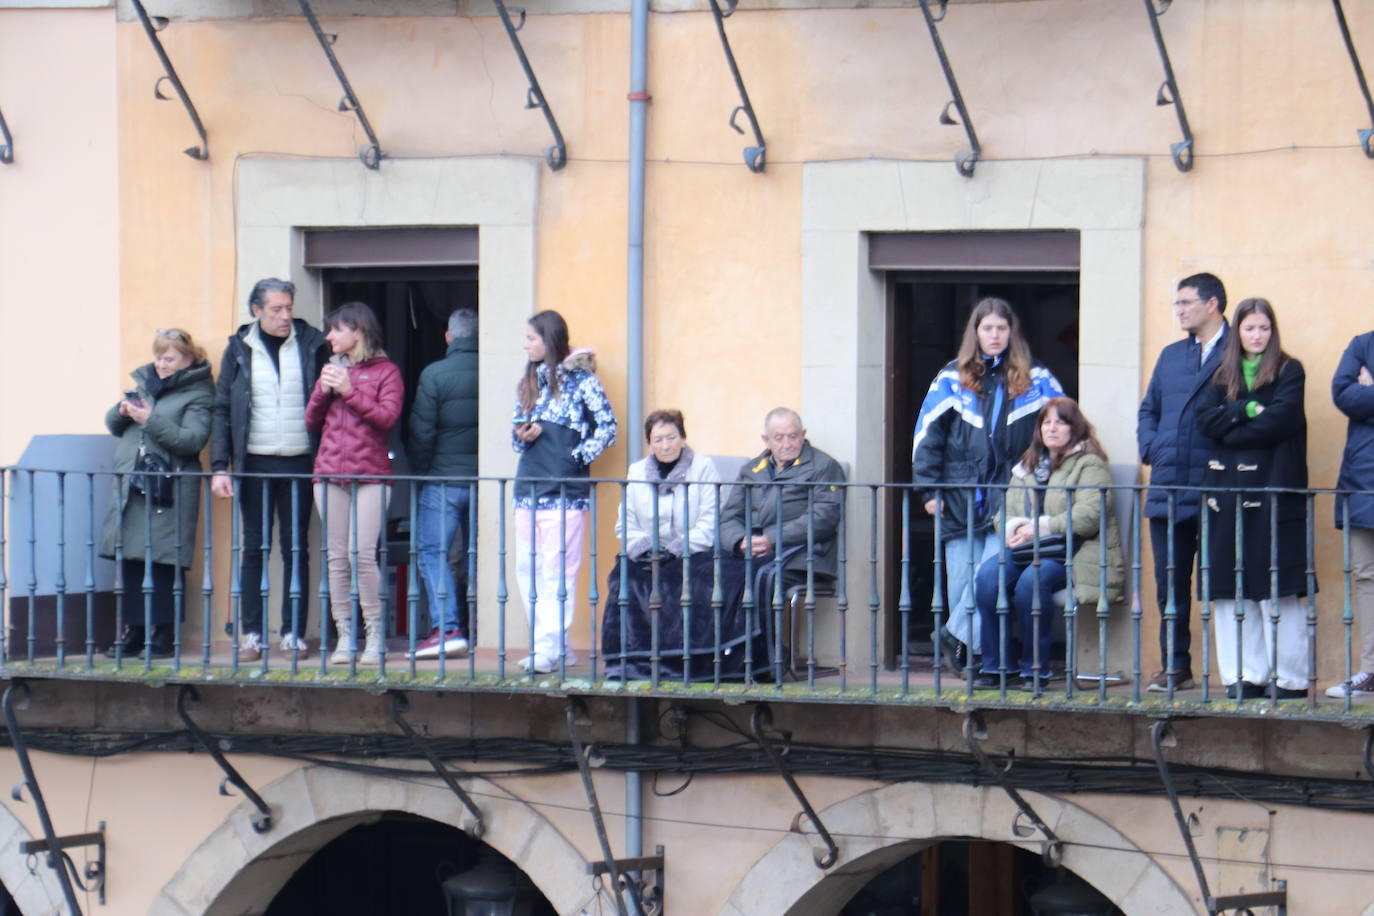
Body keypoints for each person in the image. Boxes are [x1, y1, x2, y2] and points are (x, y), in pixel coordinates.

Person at [912, 297, 1064, 675]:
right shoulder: (951, 377)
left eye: (1001, 328)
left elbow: (1060, 429)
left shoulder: (1037, 378)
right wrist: (929, 490)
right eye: (987, 328)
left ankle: (952, 635)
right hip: (959, 496)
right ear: (975, 333)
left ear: (1011, 332)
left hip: (1011, 498)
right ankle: (972, 658)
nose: (994, 335)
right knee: (962, 580)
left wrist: (1044, 486)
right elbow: (926, 437)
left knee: (991, 579)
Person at [1196, 298, 1312, 700]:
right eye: (1249, 328)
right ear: (1238, 332)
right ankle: (1244, 676)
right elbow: (1204, 421)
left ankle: (1290, 678)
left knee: (1276, 586)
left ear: (1272, 331)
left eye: (1263, 328)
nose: (1257, 335)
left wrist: (1231, 426)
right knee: (1231, 589)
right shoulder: (1219, 374)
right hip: (1226, 494)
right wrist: (1245, 409)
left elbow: (1281, 420)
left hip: (1274, 489)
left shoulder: (1289, 370)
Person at [210, 278, 330, 661]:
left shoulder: (313, 344)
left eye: (288, 307)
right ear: (256, 311)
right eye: (276, 309)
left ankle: (293, 634)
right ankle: (251, 635)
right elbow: (222, 409)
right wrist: (219, 466)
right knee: (254, 549)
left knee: (297, 549)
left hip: (300, 461)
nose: (284, 316)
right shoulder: (238, 349)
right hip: (255, 463)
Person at [971, 398, 1124, 690]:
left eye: (1060, 422)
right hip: (1026, 548)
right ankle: (997, 666)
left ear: (1074, 427)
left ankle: (1035, 669)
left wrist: (1037, 528)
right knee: (988, 578)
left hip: (1072, 552)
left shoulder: (1089, 465)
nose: (1051, 428)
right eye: (1046, 422)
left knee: (1031, 582)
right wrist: (1016, 529)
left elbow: (1088, 516)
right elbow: (1005, 512)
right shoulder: (1027, 466)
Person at [1137, 272, 1229, 692]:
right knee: (1169, 582)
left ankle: (1238, 671)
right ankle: (1176, 667)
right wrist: (1152, 448)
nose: (1178, 311)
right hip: (1170, 483)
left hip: (1217, 485)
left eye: (1185, 303)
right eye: (1176, 304)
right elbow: (1148, 410)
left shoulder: (1239, 351)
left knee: (1228, 580)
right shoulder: (1172, 355)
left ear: (1212, 305)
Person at [511, 310, 618, 674]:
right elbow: (516, 437)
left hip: (566, 491)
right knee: (528, 568)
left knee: (558, 571)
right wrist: (522, 436)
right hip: (527, 487)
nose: (525, 345)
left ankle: (546, 648)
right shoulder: (528, 382)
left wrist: (574, 457)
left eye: (531, 338)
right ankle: (556, 645)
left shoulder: (582, 380)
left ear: (549, 340)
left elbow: (607, 427)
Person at [101, 329, 215, 658]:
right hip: (135, 484)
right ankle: (134, 633)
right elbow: (113, 424)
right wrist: (121, 411)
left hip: (170, 487)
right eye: (159, 357)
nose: (161, 364)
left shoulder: (199, 394)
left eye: (169, 359)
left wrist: (150, 420)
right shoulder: (145, 384)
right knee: (134, 560)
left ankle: (164, 636)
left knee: (165, 561)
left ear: (188, 361)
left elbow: (191, 440)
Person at [602, 410, 741, 680]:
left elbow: (710, 521)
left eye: (671, 437)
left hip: (693, 551)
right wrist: (643, 547)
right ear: (649, 444)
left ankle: (684, 665)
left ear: (683, 438)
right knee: (623, 580)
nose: (665, 445)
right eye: (658, 439)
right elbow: (625, 523)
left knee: (686, 583)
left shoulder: (702, 468)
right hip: (646, 553)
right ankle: (631, 663)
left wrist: (678, 548)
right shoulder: (637, 471)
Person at [306, 302, 404, 667]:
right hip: (329, 473)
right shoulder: (331, 370)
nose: (329, 336)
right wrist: (323, 389)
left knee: (362, 554)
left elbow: (387, 417)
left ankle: (375, 635)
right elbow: (311, 421)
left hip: (371, 474)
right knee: (336, 558)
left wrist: (349, 390)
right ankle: (345, 637)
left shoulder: (387, 372)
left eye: (336, 329)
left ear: (357, 332)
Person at [718, 408, 846, 670]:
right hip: (754, 552)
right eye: (779, 438)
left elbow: (823, 517)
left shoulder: (824, 467)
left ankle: (766, 657)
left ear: (803, 435)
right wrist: (739, 541)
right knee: (711, 574)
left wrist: (771, 539)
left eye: (793, 436)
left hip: (804, 557)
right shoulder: (752, 470)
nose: (787, 444)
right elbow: (727, 518)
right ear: (766, 440)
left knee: (761, 581)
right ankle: (725, 655)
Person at [407, 307, 478, 660]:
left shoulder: (434, 374)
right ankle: (484, 632)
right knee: (480, 557)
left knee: (433, 553)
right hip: (483, 480)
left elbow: (421, 432)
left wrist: (421, 474)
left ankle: (448, 628)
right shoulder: (495, 372)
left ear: (449, 337)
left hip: (443, 480)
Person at [1328, 326, 1374, 699]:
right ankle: (1373, 671)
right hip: (1364, 480)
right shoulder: (1362, 344)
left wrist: (1370, 392)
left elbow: (1359, 400)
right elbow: (1343, 394)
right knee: (1367, 577)